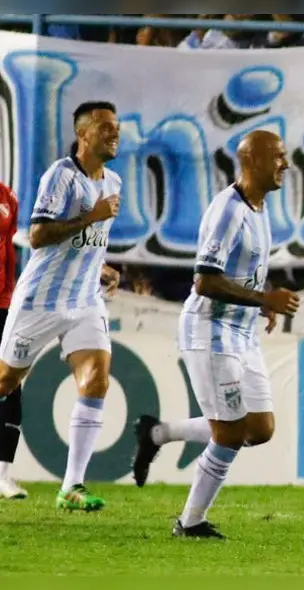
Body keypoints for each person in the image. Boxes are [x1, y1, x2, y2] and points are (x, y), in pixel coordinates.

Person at [149, 130, 299, 538]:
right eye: (279, 157)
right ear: (252, 160)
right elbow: (205, 281)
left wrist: (259, 307)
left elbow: (244, 273)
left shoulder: (260, 208)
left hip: (242, 332)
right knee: (231, 433)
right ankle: (190, 522)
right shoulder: (228, 210)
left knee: (260, 429)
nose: (286, 165)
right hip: (210, 330)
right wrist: (264, 298)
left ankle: (158, 433)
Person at [0, 101, 122, 511]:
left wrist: (103, 267)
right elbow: (38, 235)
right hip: (42, 299)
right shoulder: (61, 175)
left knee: (97, 379)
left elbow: (84, 243)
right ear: (83, 134)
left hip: (85, 299)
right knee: (4, 381)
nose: (113, 134)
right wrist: (92, 216)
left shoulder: (114, 181)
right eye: (105, 127)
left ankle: (72, 485)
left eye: (115, 127)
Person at [0, 180, 24, 499]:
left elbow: (9, 247)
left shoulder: (7, 195)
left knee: (12, 388)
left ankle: (2, 476)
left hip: (4, 304)